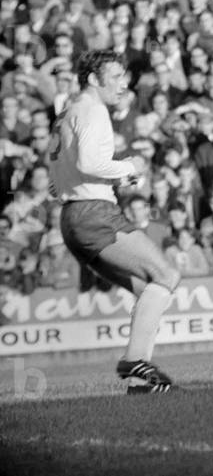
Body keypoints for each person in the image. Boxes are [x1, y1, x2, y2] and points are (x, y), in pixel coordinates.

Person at [49, 50, 181, 394]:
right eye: (117, 76)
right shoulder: (93, 109)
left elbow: (58, 178)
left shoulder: (67, 112)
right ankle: (133, 362)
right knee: (166, 275)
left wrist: (113, 180)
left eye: (126, 76)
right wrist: (129, 168)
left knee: (146, 291)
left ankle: (140, 381)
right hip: (93, 214)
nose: (124, 84)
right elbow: (92, 162)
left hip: (72, 217)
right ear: (93, 78)